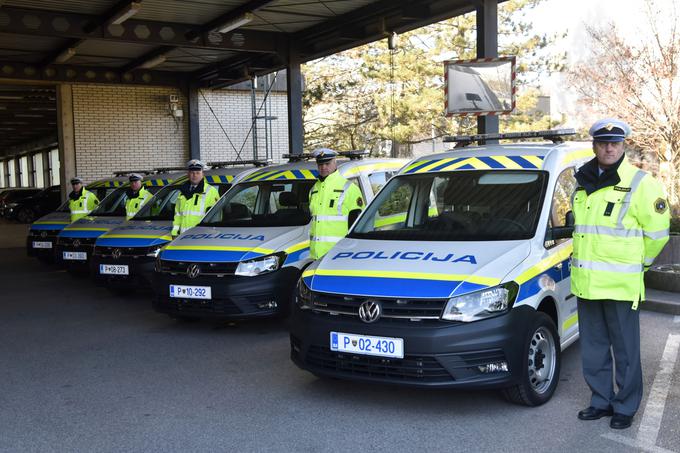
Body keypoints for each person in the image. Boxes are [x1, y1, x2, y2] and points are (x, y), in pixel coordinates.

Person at [572, 118, 670, 430]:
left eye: (615, 142)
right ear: (595, 146)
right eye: (603, 143)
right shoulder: (582, 180)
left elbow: (658, 234)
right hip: (587, 283)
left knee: (626, 351)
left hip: (621, 284)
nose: (609, 147)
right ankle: (600, 401)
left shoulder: (641, 183)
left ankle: (625, 406)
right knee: (594, 348)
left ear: (624, 145)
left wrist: (639, 265)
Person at [308, 148, 364, 259]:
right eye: (320, 164)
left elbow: (357, 226)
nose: (323, 167)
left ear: (335, 163)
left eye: (327, 163)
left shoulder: (349, 188)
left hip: (339, 254)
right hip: (315, 256)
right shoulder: (313, 190)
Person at [171, 159, 220, 237]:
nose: (195, 175)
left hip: (202, 237)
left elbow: (216, 217)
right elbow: (177, 215)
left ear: (202, 174)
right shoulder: (182, 192)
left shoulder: (211, 191)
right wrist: (174, 233)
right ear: (188, 174)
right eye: (192, 173)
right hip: (182, 237)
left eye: (198, 173)